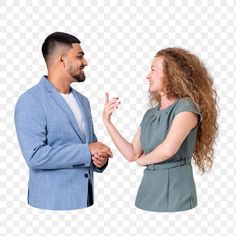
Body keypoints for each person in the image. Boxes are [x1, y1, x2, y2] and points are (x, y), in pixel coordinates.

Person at [103, 47, 218, 212]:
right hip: (147, 193)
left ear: (171, 74)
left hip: (175, 194)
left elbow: (167, 150)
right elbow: (132, 153)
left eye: (153, 70)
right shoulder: (150, 114)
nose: (147, 76)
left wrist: (142, 161)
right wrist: (107, 122)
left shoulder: (186, 108)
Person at [14, 32, 112, 210]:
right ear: (61, 60)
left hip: (85, 203)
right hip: (50, 206)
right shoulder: (31, 100)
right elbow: (35, 156)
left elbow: (89, 146)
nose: (86, 62)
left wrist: (99, 159)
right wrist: (87, 150)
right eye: (80, 56)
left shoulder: (83, 101)